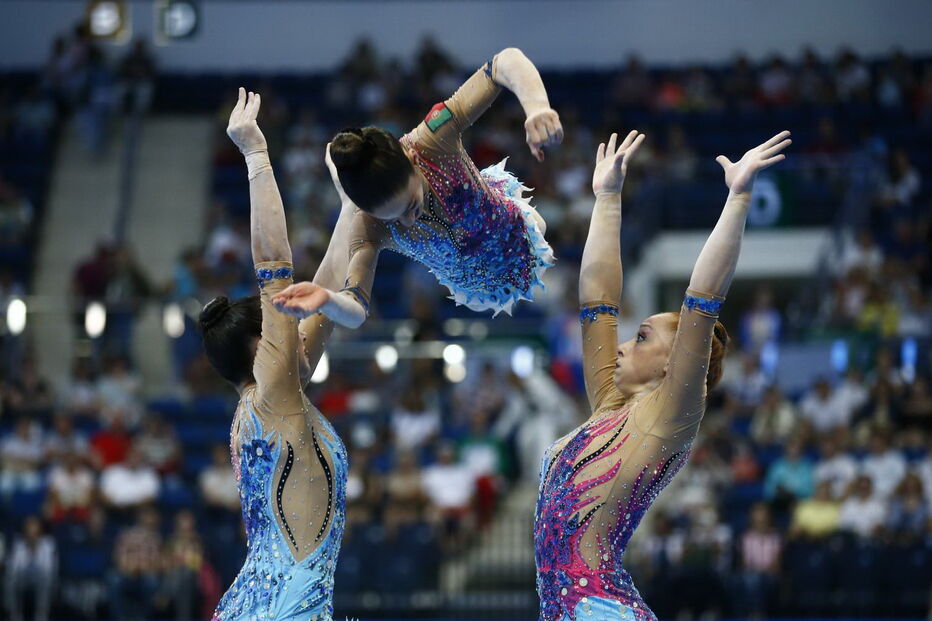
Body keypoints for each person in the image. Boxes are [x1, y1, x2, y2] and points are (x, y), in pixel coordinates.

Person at [534, 129, 791, 620]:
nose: (625, 344)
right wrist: (607, 198)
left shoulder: (669, 415)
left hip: (600, 609)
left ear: (676, 364)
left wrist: (738, 197)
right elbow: (597, 299)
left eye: (644, 337)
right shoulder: (609, 403)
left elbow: (703, 296)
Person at [272, 48, 562, 322]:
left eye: (410, 204)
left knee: (540, 226)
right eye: (394, 218)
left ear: (411, 158)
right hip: (476, 289)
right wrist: (327, 299)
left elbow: (504, 62)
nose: (410, 220)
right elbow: (356, 308)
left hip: (513, 227)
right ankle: (346, 191)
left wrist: (536, 108)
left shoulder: (433, 138)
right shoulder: (368, 225)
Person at [201, 89, 347, 620]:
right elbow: (273, 262)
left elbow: (328, 289)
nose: (293, 330)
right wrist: (256, 156)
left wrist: (356, 207)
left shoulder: (273, 400)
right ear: (258, 349)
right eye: (279, 328)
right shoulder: (272, 398)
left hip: (262, 601)